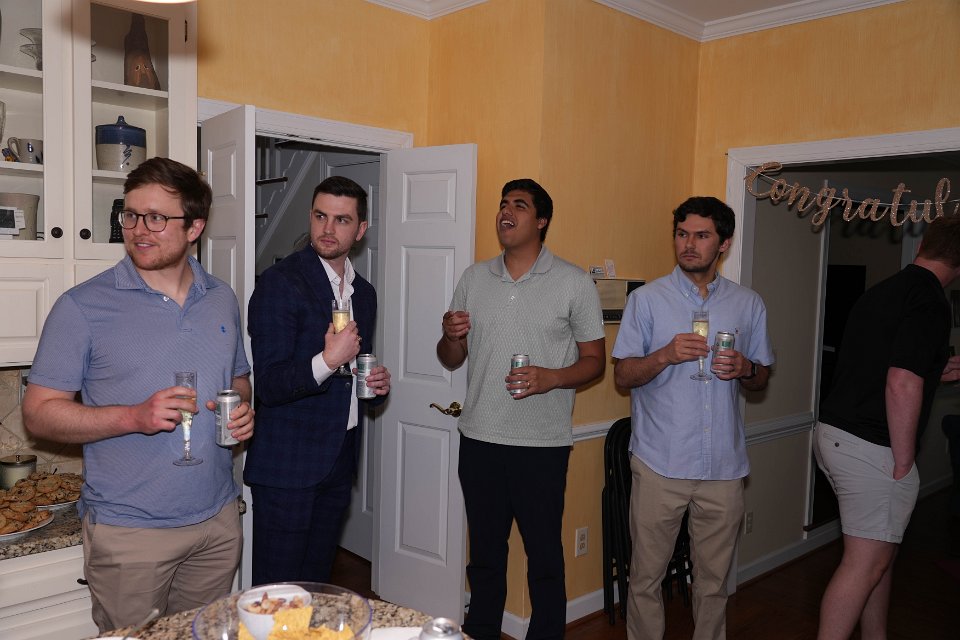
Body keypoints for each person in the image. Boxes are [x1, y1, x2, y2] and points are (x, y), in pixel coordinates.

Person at [22, 157, 255, 632]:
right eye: (129, 215)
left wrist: (243, 408)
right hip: (130, 531)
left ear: (195, 227)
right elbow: (39, 414)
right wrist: (133, 417)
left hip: (217, 521)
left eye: (156, 218)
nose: (137, 230)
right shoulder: (82, 307)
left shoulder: (221, 298)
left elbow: (238, 379)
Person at [438, 178, 605, 640]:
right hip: (479, 439)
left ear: (542, 220)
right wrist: (450, 335)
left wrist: (552, 377)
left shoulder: (573, 282)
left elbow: (595, 361)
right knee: (484, 556)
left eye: (520, 205)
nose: (506, 212)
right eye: (503, 204)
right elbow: (451, 357)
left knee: (544, 557)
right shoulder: (474, 278)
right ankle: (481, 631)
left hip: (541, 445)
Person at [612, 196, 774, 640]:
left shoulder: (748, 304)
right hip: (660, 462)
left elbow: (761, 376)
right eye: (682, 234)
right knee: (645, 579)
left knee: (714, 583)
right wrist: (663, 355)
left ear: (723, 243)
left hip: (724, 467)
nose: (688, 244)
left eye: (701, 235)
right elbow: (623, 375)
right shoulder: (646, 300)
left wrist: (746, 368)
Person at [814, 216, 960, 640]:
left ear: (923, 245)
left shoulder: (885, 291)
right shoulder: (931, 301)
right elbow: (901, 382)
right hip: (870, 446)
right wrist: (904, 460)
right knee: (864, 564)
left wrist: (934, 372)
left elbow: (882, 367)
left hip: (835, 434)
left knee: (880, 555)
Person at [244, 175, 391, 586]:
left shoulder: (364, 294)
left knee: (317, 587)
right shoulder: (280, 283)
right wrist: (327, 360)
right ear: (310, 216)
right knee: (278, 592)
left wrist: (375, 386)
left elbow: (353, 374)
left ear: (360, 230)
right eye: (320, 216)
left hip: (339, 459)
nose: (328, 228)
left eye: (342, 220)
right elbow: (269, 384)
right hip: (288, 466)